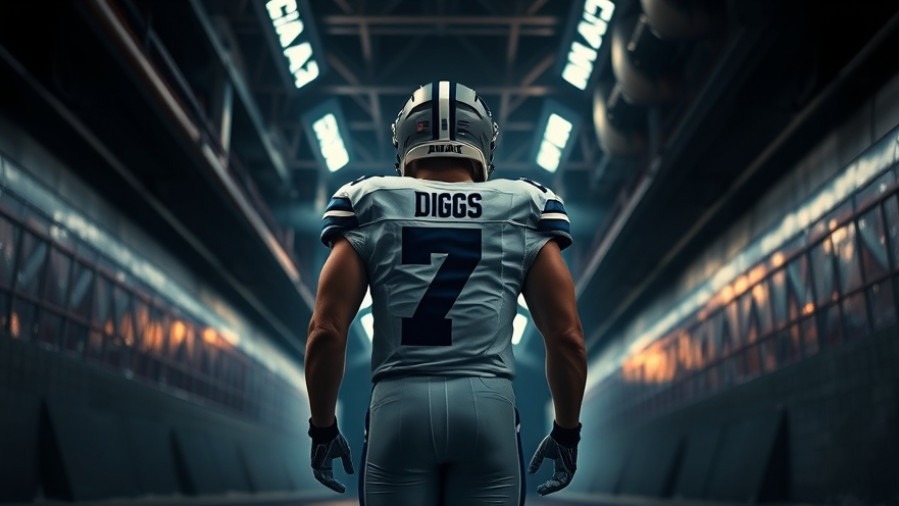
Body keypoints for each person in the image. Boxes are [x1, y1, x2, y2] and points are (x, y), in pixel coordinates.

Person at [304, 81, 587, 505]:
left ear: (403, 142)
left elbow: (326, 330)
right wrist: (566, 431)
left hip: (399, 405)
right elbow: (566, 338)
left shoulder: (368, 200)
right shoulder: (525, 204)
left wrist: (323, 427)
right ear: (483, 142)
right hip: (487, 405)